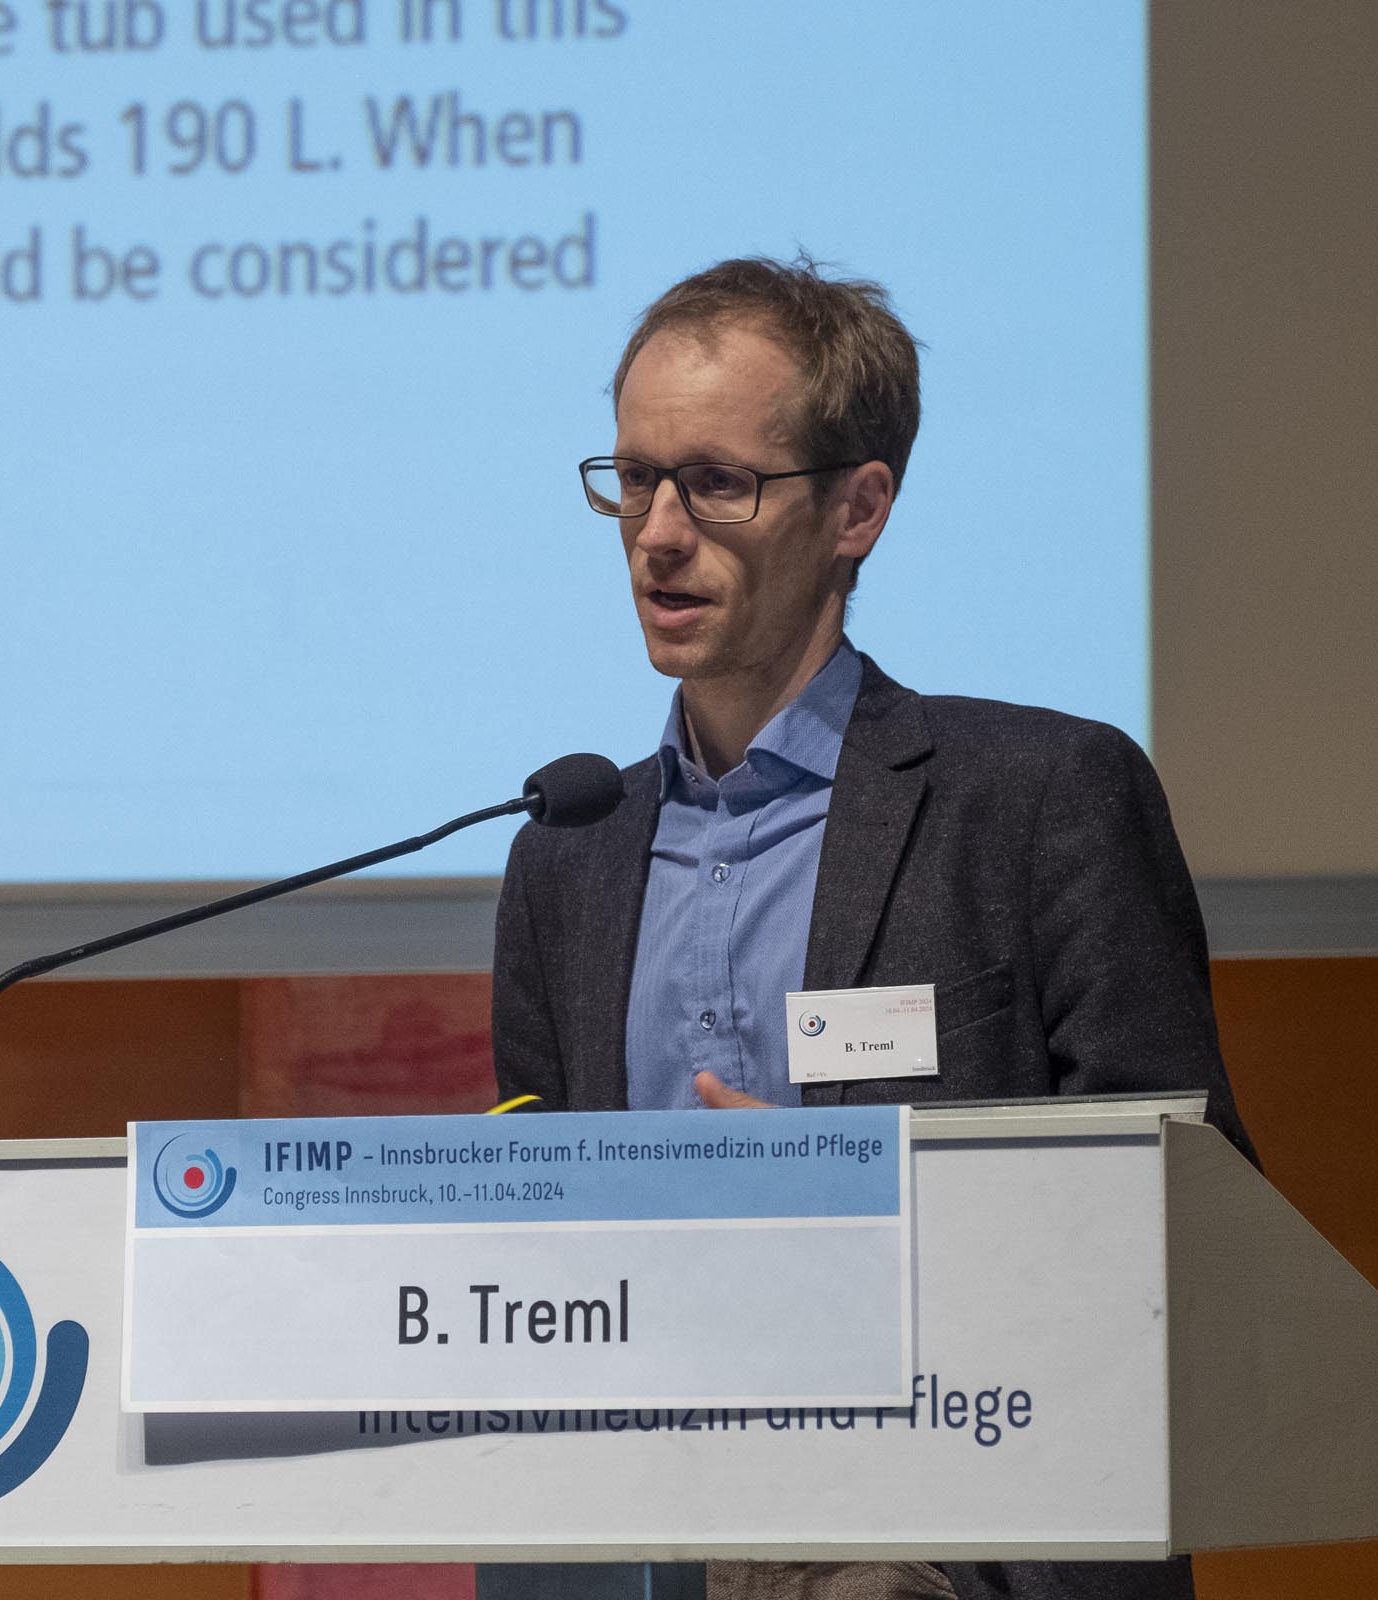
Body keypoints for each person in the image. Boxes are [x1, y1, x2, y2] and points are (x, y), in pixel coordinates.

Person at [491, 257, 1252, 1600]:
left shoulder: (1037, 801)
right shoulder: (572, 855)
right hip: (650, 1536)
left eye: (714, 483)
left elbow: (1188, 1222)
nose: (657, 534)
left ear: (858, 507)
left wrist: (852, 1212)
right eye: (635, 478)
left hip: (955, 1537)